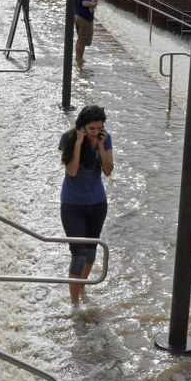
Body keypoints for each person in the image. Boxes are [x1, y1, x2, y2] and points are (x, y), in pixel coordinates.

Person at [58, 105, 114, 310]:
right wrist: (80, 143)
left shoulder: (105, 139)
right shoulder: (69, 139)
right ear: (82, 127)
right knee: (78, 254)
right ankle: (74, 305)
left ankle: (81, 288)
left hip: (97, 204)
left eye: (99, 128)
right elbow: (72, 171)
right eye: (91, 129)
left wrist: (99, 146)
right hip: (72, 205)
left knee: (90, 252)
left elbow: (108, 170)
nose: (96, 132)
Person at [74, 0, 99, 70]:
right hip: (85, 18)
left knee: (80, 39)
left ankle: (78, 57)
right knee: (82, 40)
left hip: (77, 15)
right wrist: (94, 4)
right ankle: (79, 59)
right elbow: (85, 3)